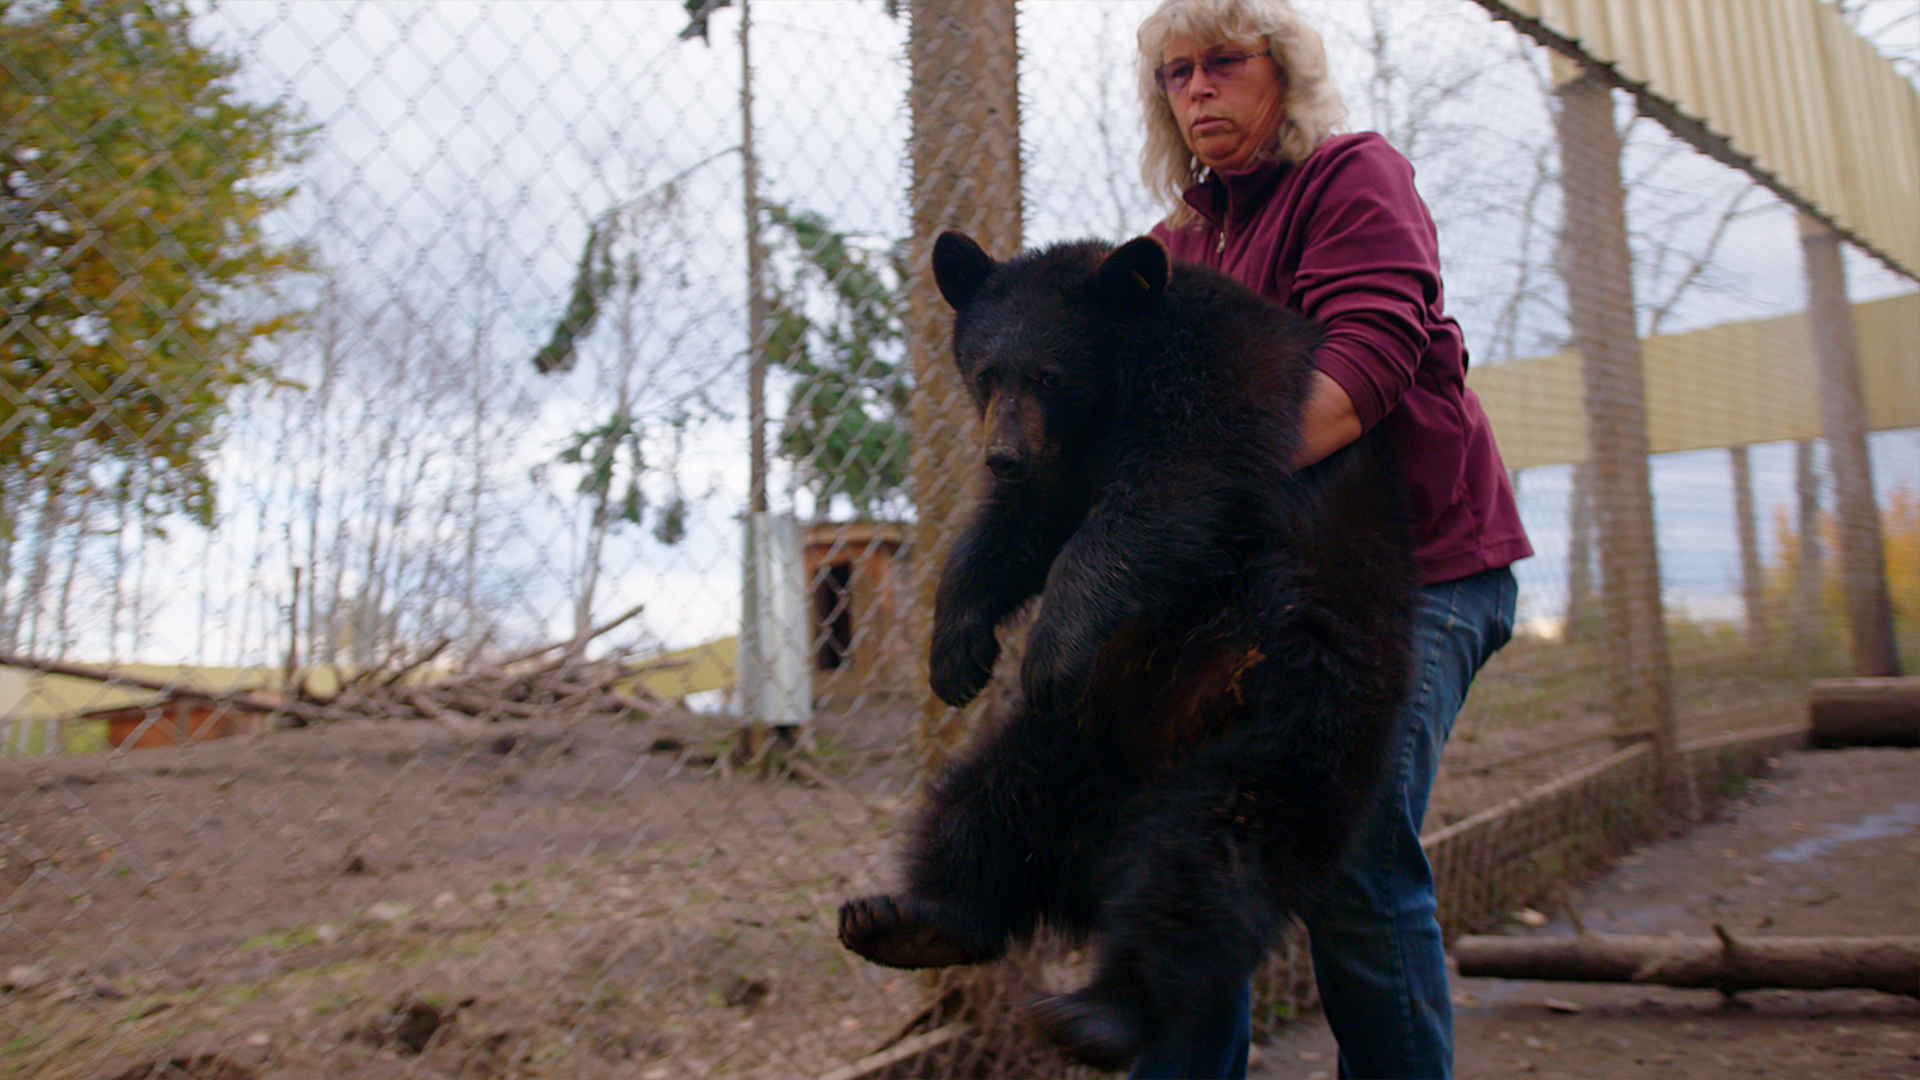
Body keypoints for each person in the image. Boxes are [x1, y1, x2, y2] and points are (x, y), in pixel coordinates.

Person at [1128, 1, 1533, 1077]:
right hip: (1271, 594)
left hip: (1420, 573)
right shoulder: (1178, 248)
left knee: (1345, 850)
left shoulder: (1352, 178)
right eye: (1177, 73)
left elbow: (1362, 372)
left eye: (1224, 62)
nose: (1200, 88)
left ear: (1284, 72)